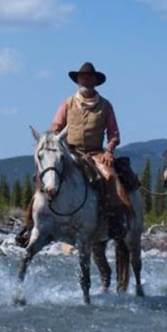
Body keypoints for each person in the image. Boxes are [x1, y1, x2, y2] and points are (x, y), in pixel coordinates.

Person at [15, 61, 132, 247]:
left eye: (89, 78)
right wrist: (52, 136)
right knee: (44, 175)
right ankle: (30, 223)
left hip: (95, 153)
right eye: (82, 78)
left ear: (95, 81)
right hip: (69, 151)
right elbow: (56, 126)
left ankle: (115, 219)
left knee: (110, 177)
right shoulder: (68, 103)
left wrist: (109, 150)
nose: (85, 81)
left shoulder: (105, 105)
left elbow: (114, 134)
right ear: (77, 80)